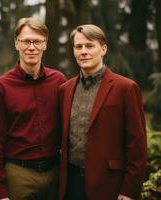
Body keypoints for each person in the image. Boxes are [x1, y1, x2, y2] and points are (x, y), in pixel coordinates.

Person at [58, 24, 147, 200]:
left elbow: (137, 145)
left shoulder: (126, 88)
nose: (83, 51)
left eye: (90, 46)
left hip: (109, 185)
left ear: (103, 49)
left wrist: (129, 190)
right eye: (78, 46)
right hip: (70, 184)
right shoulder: (65, 89)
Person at [0, 17, 66, 200]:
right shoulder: (1, 86)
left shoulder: (59, 81)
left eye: (37, 41)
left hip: (54, 173)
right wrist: (0, 191)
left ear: (45, 44)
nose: (31, 47)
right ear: (16, 43)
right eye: (26, 41)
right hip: (19, 175)